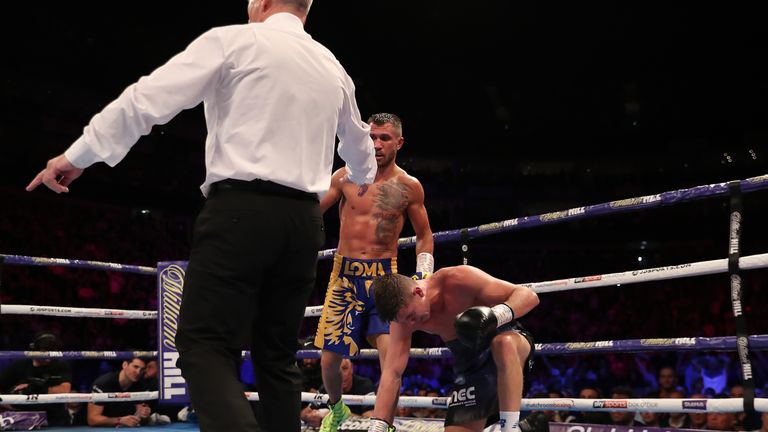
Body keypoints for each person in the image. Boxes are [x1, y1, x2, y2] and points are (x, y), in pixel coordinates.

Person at [25, 0, 377, 430]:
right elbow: (361, 151)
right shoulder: (331, 66)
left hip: (240, 211)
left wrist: (80, 154)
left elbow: (146, 100)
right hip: (304, 222)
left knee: (201, 344)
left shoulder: (235, 40)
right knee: (276, 356)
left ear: (260, 3)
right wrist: (359, 176)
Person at [313, 112, 434, 431]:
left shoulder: (409, 186)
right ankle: (336, 409)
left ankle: (385, 422)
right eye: (372, 137)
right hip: (344, 277)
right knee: (329, 360)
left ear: (399, 143)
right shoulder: (344, 177)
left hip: (386, 279)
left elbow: (424, 236)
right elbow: (312, 210)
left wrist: (423, 276)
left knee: (390, 358)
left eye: (384, 138)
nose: (377, 144)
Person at [367, 266, 540, 432]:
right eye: (405, 320)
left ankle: (510, 429)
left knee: (503, 344)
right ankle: (530, 423)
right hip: (471, 368)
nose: (411, 324)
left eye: (412, 316)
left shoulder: (457, 279)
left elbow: (528, 296)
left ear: (418, 292)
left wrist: (494, 316)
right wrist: (378, 426)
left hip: (510, 341)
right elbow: (392, 374)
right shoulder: (403, 321)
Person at [0, 332, 72, 427]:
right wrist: (11, 405)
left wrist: (34, 386)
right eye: (45, 351)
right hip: (24, 418)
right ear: (35, 349)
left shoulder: (60, 365)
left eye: (52, 351)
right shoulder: (18, 366)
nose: (48, 356)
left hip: (54, 419)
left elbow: (64, 391)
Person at [300, 359, 375, 427]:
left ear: (351, 369)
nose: (341, 375)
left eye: (344, 368)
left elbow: (370, 419)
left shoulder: (364, 386)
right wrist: (310, 417)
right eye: (336, 370)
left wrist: (336, 415)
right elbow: (304, 413)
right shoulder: (327, 387)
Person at [87, 357, 151, 427]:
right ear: (125, 365)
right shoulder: (103, 383)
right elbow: (92, 419)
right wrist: (119, 420)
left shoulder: (141, 384)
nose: (138, 372)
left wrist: (143, 414)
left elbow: (142, 415)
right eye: (135, 367)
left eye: (142, 369)